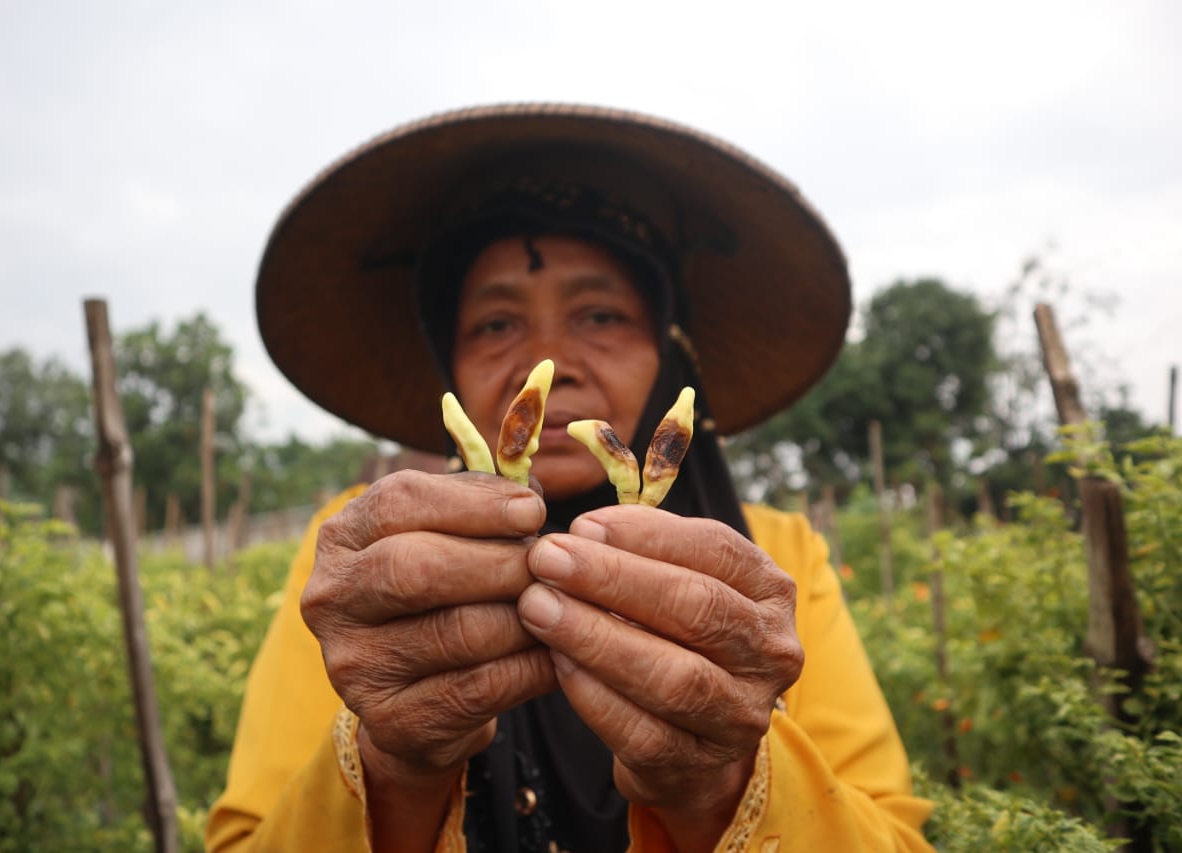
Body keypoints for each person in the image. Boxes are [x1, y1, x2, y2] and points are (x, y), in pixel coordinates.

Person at [206, 104, 934, 852]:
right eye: (495, 324)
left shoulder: (783, 558)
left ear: (669, 351)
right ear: (447, 361)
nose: (546, 362)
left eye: (601, 314)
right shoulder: (369, 563)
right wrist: (394, 761)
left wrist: (722, 782)